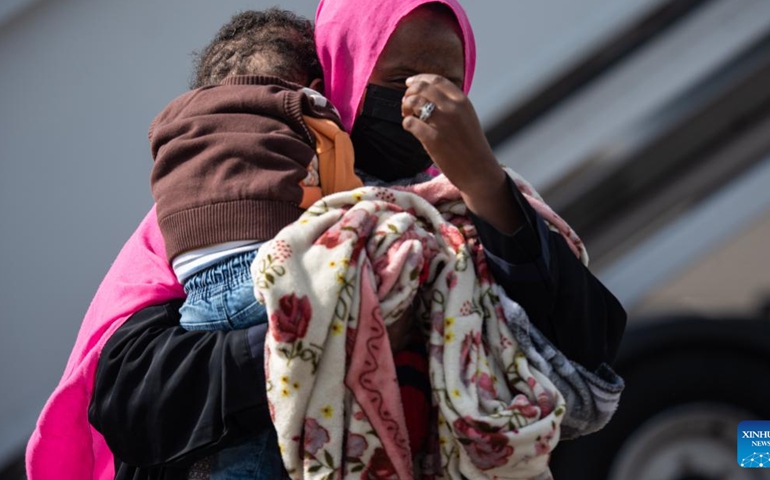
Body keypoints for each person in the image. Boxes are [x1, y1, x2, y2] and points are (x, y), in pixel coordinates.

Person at [26, 1, 626, 479]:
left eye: (446, 81)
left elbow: (587, 349)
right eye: (398, 80)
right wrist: (328, 333)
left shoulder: (461, 207)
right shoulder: (231, 202)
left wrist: (485, 184)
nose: (425, 99)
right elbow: (135, 401)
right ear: (342, 75)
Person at [148, 8, 363, 479]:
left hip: (195, 297)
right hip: (263, 273)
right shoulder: (300, 105)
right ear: (310, 80)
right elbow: (340, 188)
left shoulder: (171, 123)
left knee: (244, 431)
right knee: (289, 413)